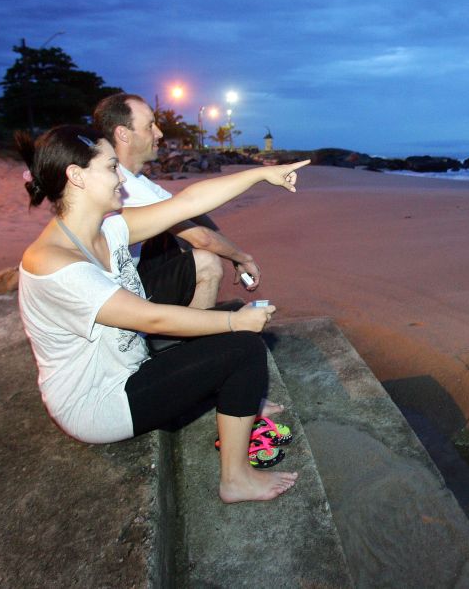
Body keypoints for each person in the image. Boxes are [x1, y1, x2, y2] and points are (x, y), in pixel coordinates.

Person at [15, 124, 309, 503]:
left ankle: (231, 402)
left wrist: (261, 174)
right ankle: (235, 480)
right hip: (99, 403)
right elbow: (149, 318)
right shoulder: (52, 261)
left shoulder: (107, 231)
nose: (121, 176)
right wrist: (235, 323)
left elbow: (186, 204)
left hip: (127, 366)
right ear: (76, 176)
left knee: (227, 329)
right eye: (109, 167)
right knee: (242, 346)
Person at [93, 93, 258, 310]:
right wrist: (242, 257)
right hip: (117, 298)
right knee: (206, 261)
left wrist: (228, 247)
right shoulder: (125, 187)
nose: (159, 133)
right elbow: (201, 238)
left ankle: (190, 317)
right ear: (123, 134)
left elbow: (189, 209)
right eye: (150, 126)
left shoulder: (136, 180)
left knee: (172, 241)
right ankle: (194, 337)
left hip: (130, 276)